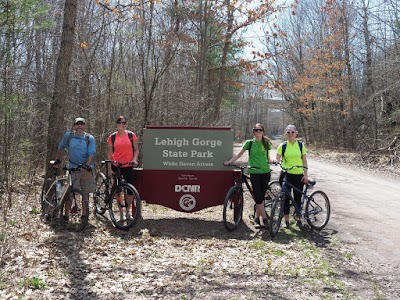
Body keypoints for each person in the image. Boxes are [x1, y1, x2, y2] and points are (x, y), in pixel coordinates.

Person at [224, 123, 273, 228]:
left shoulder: (266, 143)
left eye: (260, 130)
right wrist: (229, 161)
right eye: (256, 130)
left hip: (265, 172)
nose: (258, 132)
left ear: (263, 131)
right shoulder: (249, 143)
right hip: (254, 173)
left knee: (260, 197)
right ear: (253, 132)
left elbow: (268, 157)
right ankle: (264, 219)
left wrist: (272, 161)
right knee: (258, 197)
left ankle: (256, 219)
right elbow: (239, 155)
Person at [55, 117, 96, 221]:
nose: (80, 126)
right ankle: (66, 215)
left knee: (85, 193)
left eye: (82, 124)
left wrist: (86, 165)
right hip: (73, 167)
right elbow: (61, 147)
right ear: (74, 126)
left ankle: (84, 215)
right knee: (70, 193)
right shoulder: (69, 136)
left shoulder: (89, 138)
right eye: (77, 124)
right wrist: (58, 160)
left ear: (85, 126)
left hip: (86, 168)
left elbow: (91, 153)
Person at [275, 124, 308, 228]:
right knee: (285, 198)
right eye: (288, 132)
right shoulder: (283, 146)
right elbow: (277, 158)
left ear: (296, 133)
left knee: (297, 197)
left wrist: (305, 175)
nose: (290, 134)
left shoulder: (301, 145)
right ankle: (287, 221)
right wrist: (275, 161)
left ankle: (298, 219)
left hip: (298, 175)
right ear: (286, 134)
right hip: (286, 174)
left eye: (292, 132)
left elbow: (304, 161)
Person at [107, 116, 139, 220]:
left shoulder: (131, 135)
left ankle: (127, 212)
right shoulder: (112, 137)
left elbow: (136, 150)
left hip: (128, 165)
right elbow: (109, 154)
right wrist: (109, 168)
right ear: (116, 125)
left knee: (130, 190)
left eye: (124, 123)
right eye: (120, 123)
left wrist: (134, 159)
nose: (122, 124)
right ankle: (120, 213)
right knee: (118, 190)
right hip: (116, 165)